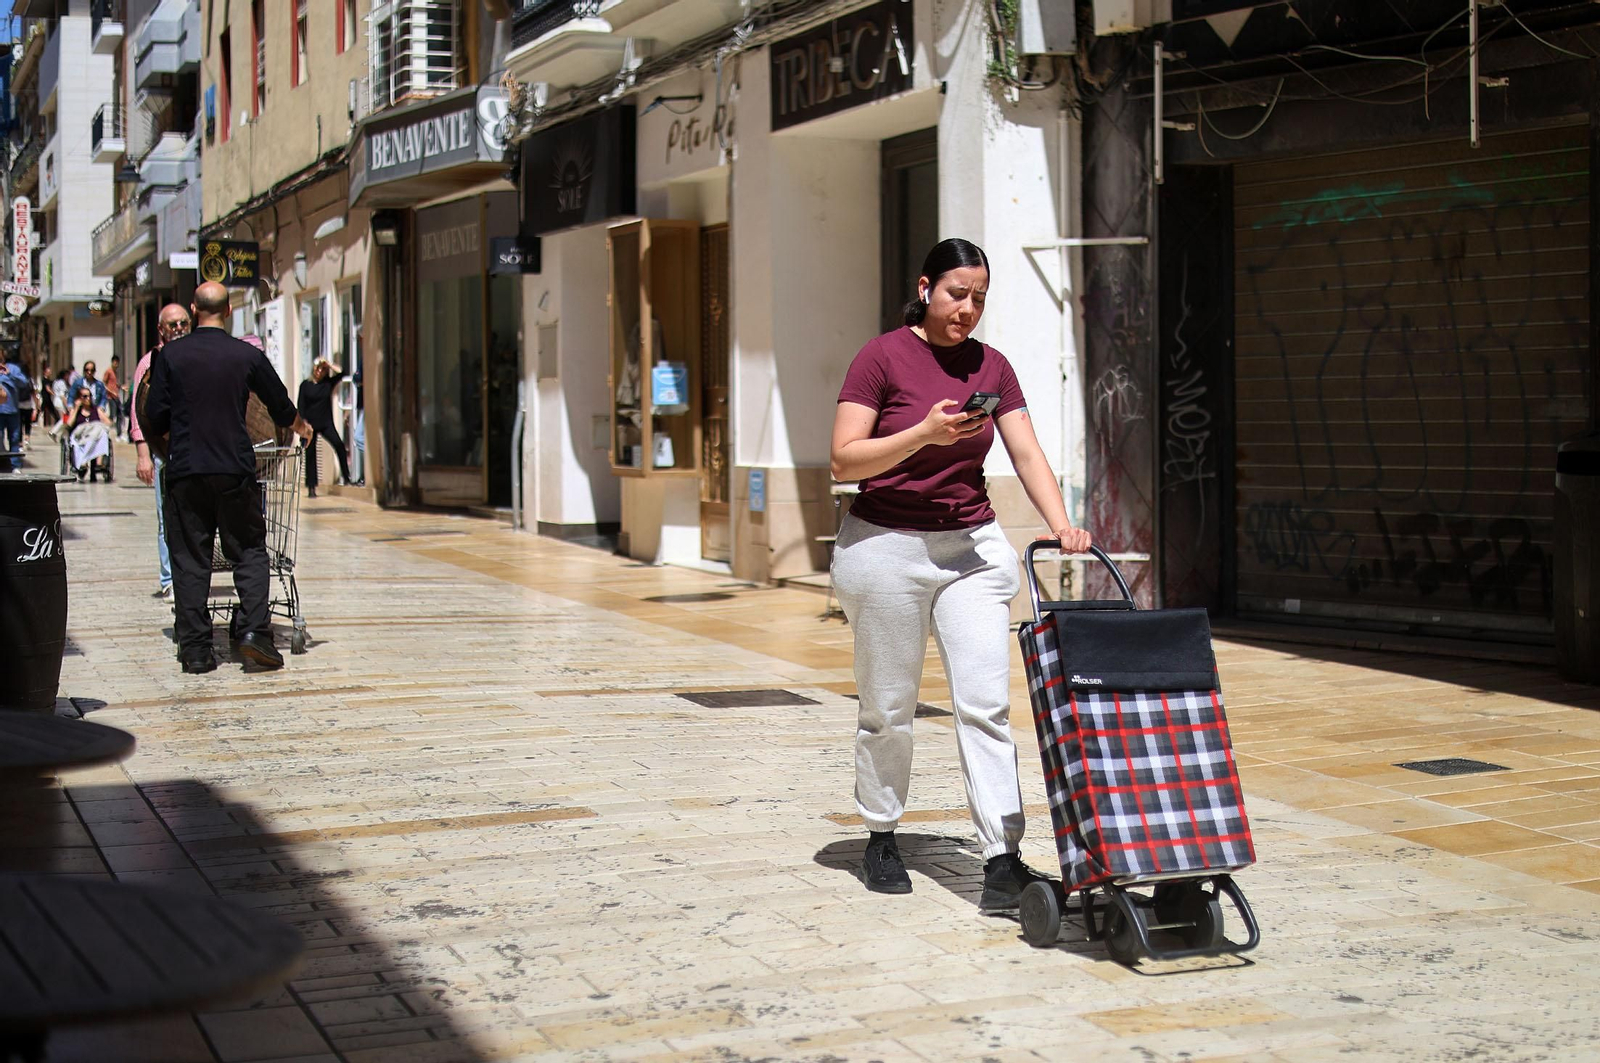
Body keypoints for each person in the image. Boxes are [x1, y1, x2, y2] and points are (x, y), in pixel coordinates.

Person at [829, 238, 1094, 911]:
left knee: (985, 703)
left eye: (979, 297)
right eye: (956, 294)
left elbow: (1027, 451)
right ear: (925, 288)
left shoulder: (992, 364)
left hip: (970, 549)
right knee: (889, 706)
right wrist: (921, 434)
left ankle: (1003, 856)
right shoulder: (881, 356)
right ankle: (882, 832)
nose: (968, 309)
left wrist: (1062, 522)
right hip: (885, 545)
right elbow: (843, 460)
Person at [146, 282, 311, 675]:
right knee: (249, 550)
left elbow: (153, 415)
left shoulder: (170, 355)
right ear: (230, 310)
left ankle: (198, 650)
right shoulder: (245, 355)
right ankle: (255, 634)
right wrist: (301, 426)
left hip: (186, 469)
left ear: (193, 309)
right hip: (235, 467)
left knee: (190, 558)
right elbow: (280, 403)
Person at [131, 304, 192, 600]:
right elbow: (137, 411)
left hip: (195, 449)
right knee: (165, 516)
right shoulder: (149, 363)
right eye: (173, 324)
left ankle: (192, 575)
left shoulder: (197, 355)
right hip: (162, 451)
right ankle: (169, 578)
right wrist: (143, 453)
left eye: (183, 323)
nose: (179, 328)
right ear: (161, 329)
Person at [297, 357, 352, 496]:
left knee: (339, 445)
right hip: (310, 424)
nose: (320, 371)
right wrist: (304, 423)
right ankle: (311, 488)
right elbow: (301, 405)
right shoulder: (305, 385)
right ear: (313, 369)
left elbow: (343, 373)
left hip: (326, 423)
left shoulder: (328, 383)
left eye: (323, 369)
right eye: (318, 368)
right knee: (310, 454)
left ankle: (346, 477)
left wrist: (329, 364)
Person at [67, 385, 112, 481]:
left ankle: (98, 462)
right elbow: (69, 424)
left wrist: (97, 424)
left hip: (94, 437)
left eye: (89, 396)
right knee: (96, 435)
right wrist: (76, 408)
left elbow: (108, 423)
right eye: (84, 396)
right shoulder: (76, 410)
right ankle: (84, 462)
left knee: (102, 432)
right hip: (81, 437)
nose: (88, 398)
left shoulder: (96, 410)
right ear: (79, 398)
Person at [0, 348, 28, 472]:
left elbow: (24, 382)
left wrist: (9, 374)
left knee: (15, 439)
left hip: (13, 411)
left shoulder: (13, 369)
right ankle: (2, 463)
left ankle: (15, 465)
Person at [103, 355, 123, 439]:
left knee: (120, 414)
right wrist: (111, 392)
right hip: (110, 397)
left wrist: (121, 387)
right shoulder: (108, 371)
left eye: (117, 363)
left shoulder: (115, 372)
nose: (116, 364)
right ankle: (106, 431)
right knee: (112, 415)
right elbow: (104, 383)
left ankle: (119, 434)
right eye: (115, 362)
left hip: (116, 396)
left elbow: (115, 384)